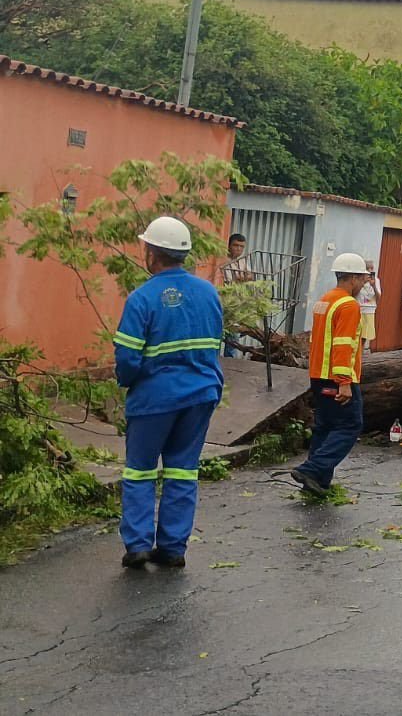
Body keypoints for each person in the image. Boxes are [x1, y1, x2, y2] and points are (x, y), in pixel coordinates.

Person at [113, 216, 225, 570]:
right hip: (200, 395)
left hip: (154, 400)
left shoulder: (142, 297)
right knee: (182, 471)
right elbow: (215, 344)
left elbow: (127, 359)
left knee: (140, 471)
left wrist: (130, 381)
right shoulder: (208, 292)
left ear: (152, 253)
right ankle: (173, 548)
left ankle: (138, 545)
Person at [289, 252, 368, 495]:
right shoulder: (348, 305)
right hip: (338, 378)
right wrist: (344, 382)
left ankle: (317, 482)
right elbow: (343, 345)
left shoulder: (325, 301)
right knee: (349, 426)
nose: (364, 283)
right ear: (352, 278)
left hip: (318, 375)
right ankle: (313, 469)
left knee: (325, 427)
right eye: (363, 279)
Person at [219, 232, 250, 357]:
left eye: (241, 246)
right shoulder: (222, 261)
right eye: (235, 245)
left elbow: (249, 277)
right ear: (229, 246)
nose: (238, 249)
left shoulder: (242, 262)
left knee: (232, 341)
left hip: (236, 305)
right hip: (222, 303)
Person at [356, 259, 381, 353]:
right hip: (359, 309)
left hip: (369, 310)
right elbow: (354, 293)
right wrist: (363, 282)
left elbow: (378, 297)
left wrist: (373, 285)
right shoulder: (359, 279)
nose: (370, 271)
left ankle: (361, 356)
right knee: (356, 336)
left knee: (364, 337)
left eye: (372, 268)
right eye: (368, 268)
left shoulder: (376, 280)